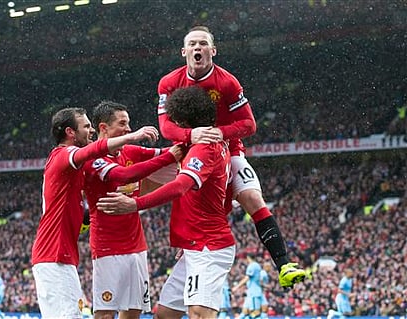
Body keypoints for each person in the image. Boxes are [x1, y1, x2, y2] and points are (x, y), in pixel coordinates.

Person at [156, 25, 306, 288]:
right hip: (187, 150)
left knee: (251, 197)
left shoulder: (227, 82)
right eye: (192, 44)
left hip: (226, 149)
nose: (197, 48)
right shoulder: (169, 82)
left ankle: (283, 264)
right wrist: (193, 136)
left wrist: (217, 132)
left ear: (213, 50)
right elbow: (166, 127)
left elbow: (249, 124)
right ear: (183, 52)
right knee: (153, 180)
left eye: (203, 44)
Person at [97, 86, 235, 319]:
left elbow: (180, 185)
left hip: (208, 245)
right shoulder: (201, 145)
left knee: (199, 313)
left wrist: (135, 204)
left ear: (183, 121)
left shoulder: (204, 147)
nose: (172, 130)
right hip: (194, 243)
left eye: (174, 124)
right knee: (165, 315)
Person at [31, 107, 160, 319]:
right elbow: (94, 151)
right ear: (70, 132)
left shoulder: (73, 167)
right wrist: (134, 137)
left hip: (60, 255)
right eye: (86, 126)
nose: (91, 131)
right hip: (53, 255)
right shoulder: (64, 154)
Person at [83, 101, 184, 319]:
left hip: (137, 246)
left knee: (133, 312)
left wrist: (193, 140)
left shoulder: (129, 151)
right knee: (105, 314)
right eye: (122, 123)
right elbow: (125, 175)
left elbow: (168, 152)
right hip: (107, 248)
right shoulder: (92, 158)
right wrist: (170, 156)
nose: (128, 129)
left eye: (128, 124)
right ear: (103, 128)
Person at [231, 254, 267, 319]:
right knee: (245, 312)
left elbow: (247, 278)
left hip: (254, 293)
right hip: (251, 293)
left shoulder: (252, 265)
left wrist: (236, 287)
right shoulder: (257, 266)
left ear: (248, 258)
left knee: (255, 313)